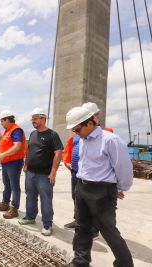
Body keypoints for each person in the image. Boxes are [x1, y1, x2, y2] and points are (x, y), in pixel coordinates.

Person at [64, 106, 133, 267]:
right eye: (73, 130)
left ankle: (125, 264)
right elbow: (85, 164)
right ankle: (80, 262)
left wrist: (120, 188)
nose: (75, 132)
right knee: (82, 228)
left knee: (108, 230)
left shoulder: (110, 140)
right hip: (82, 187)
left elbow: (124, 168)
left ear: (90, 123)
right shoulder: (82, 139)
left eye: (77, 128)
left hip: (102, 191)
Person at [19, 108, 63, 236]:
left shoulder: (52, 135)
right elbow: (29, 150)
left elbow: (58, 152)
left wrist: (53, 171)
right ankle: (30, 217)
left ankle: (47, 224)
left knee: (46, 199)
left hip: (44, 175)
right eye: (32, 119)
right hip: (30, 173)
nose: (33, 121)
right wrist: (26, 164)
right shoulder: (32, 134)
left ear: (43, 119)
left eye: (36, 118)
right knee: (30, 196)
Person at [0, 110, 26, 219]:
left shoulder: (15, 130)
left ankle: (14, 208)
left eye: (2, 121)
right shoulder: (7, 131)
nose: (1, 124)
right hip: (6, 162)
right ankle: (5, 203)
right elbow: (5, 146)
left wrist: (3, 154)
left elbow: (17, 146)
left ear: (7, 120)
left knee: (14, 185)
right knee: (7, 184)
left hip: (14, 162)